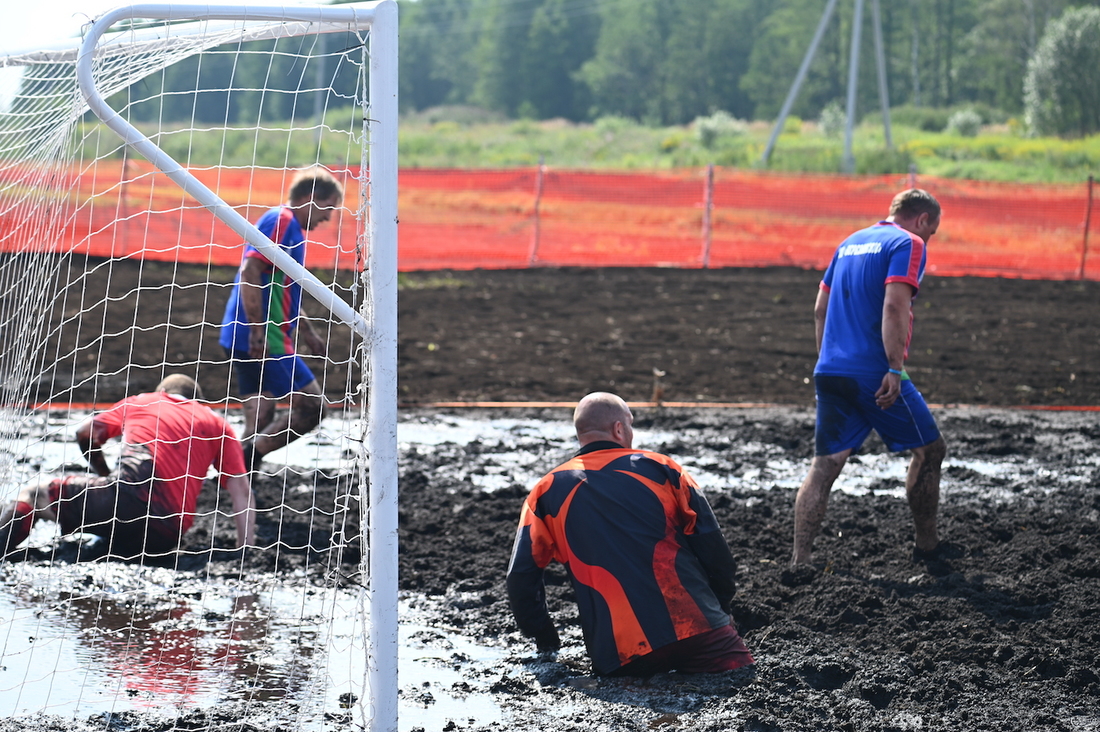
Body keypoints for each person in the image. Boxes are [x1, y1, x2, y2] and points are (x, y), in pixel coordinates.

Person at [507, 392, 755, 677]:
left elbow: (521, 577)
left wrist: (546, 640)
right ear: (619, 429)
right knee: (740, 684)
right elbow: (714, 549)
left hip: (620, 652)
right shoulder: (664, 469)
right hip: (700, 632)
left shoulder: (546, 491)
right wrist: (721, 609)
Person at [792, 188, 949, 567]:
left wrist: (828, 361)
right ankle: (927, 548)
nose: (929, 239)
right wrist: (894, 368)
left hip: (831, 369)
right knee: (930, 450)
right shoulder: (908, 243)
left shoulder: (850, 242)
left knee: (824, 466)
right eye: (932, 230)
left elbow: (819, 309)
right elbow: (895, 304)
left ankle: (800, 560)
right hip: (874, 372)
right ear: (922, 219)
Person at [0, 375, 255, 559]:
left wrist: (104, 475)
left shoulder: (143, 401)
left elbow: (85, 433)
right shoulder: (217, 423)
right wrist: (246, 550)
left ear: (162, 392)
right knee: (114, 533)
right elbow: (241, 490)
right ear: (197, 401)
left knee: (33, 494)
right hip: (167, 531)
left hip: (124, 500)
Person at [219, 167, 343, 472]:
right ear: (311, 198)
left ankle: (236, 480)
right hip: (263, 337)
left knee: (259, 418)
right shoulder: (283, 221)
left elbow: (278, 290)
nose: (328, 218)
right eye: (328, 208)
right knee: (314, 407)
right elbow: (250, 271)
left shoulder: (289, 227)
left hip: (241, 333)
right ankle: (248, 457)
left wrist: (308, 332)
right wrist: (259, 331)